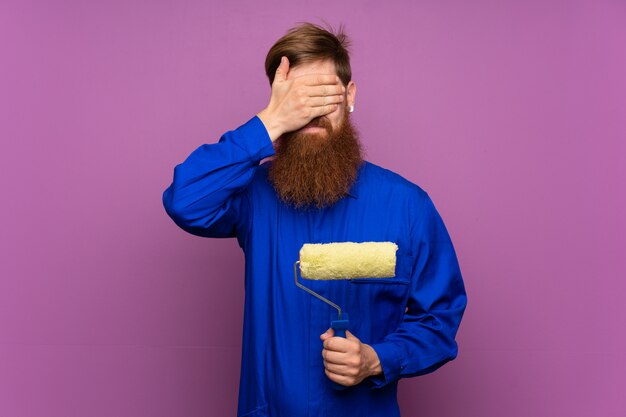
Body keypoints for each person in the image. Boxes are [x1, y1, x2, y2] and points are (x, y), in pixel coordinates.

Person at [163, 22, 467, 417]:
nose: (312, 114)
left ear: (350, 96)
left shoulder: (408, 206)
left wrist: (377, 359)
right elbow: (185, 201)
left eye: (323, 96)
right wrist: (269, 123)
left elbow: (440, 320)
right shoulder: (254, 196)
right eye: (298, 101)